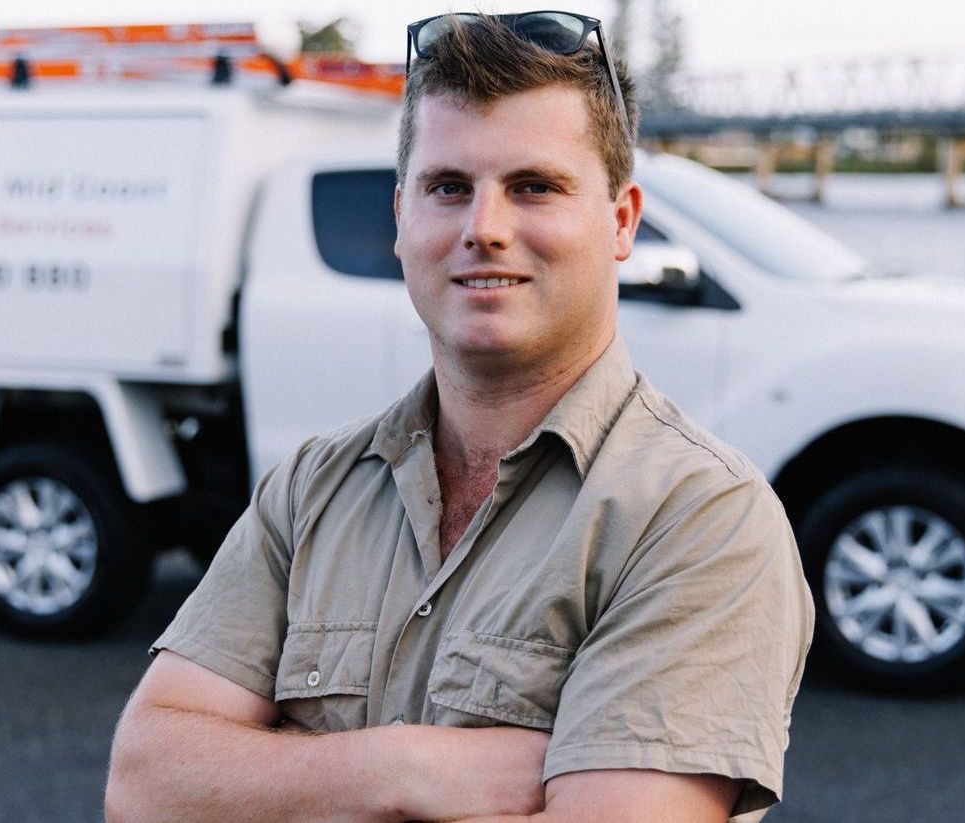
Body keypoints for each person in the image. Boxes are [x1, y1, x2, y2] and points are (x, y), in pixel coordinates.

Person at [106, 12, 813, 822]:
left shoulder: (698, 518)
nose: (485, 228)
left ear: (621, 220)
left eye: (534, 187)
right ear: (402, 216)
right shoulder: (310, 489)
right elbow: (145, 784)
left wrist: (271, 779)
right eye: (450, 188)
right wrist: (400, 768)